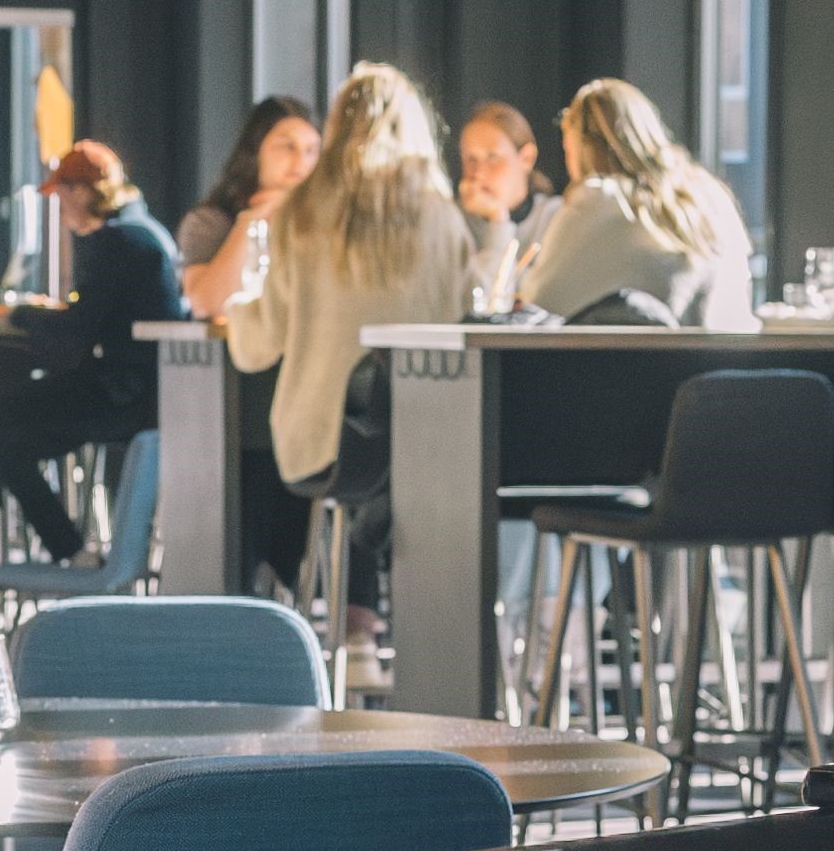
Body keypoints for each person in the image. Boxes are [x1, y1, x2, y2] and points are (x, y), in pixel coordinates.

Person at [220, 60, 469, 637]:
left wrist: (236, 311)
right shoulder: (443, 216)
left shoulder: (303, 211)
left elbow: (257, 347)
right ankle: (383, 624)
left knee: (351, 472)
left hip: (325, 444)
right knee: (393, 472)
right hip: (430, 440)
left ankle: (336, 627)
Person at [0, 143, 185, 557]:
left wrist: (17, 315)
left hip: (121, 396)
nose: (60, 211)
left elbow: (74, 338)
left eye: (61, 196)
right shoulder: (146, 232)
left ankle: (67, 553)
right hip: (150, 394)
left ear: (80, 192)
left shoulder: (114, 242)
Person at [512, 79, 755, 329]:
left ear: (579, 148)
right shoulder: (710, 193)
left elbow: (542, 301)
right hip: (728, 362)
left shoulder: (596, 198)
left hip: (645, 366)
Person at [175, 93, 318, 324]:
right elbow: (206, 304)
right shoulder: (210, 221)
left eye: (311, 150)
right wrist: (252, 220)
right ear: (255, 152)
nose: (300, 162)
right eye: (288, 147)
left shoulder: (322, 222)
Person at [452, 99, 559, 308]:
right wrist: (498, 221)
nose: (479, 172)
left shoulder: (557, 217)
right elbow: (482, 302)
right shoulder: (453, 222)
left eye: (493, 157)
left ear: (526, 158)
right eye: (470, 159)